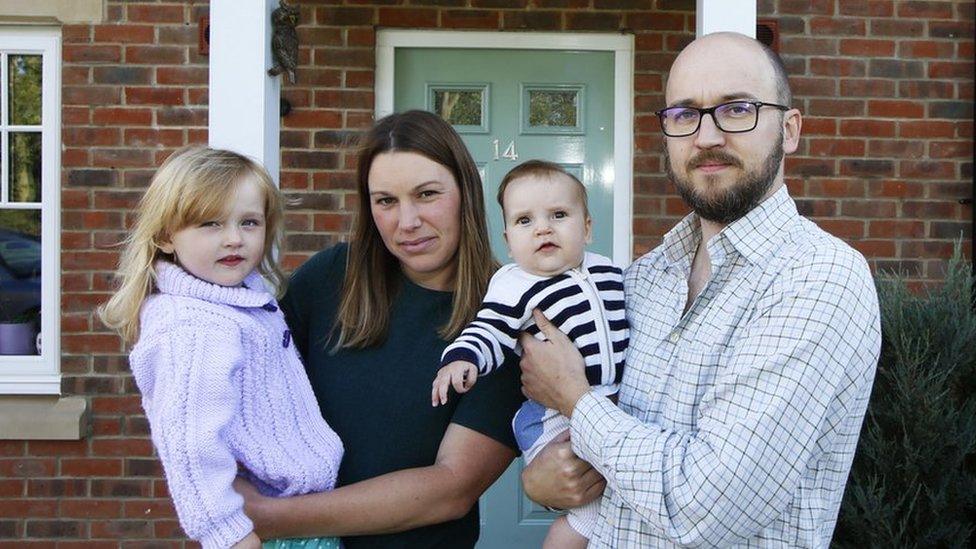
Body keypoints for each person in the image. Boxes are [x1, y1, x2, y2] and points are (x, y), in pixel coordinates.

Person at [519, 31, 882, 547]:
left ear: (791, 129)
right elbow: (589, 461)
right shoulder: (644, 279)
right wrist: (546, 478)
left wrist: (575, 400)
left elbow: (706, 507)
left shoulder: (819, 277)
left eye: (737, 109)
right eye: (684, 114)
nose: (707, 137)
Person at [233, 110, 525, 548]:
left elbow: (450, 488)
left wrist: (267, 517)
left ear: (466, 192)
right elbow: (247, 377)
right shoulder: (333, 276)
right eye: (386, 201)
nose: (406, 221)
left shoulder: (504, 318)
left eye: (426, 194)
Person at [98, 146, 345, 549]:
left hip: (303, 517)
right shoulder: (194, 325)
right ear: (164, 236)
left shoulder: (239, 299)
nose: (234, 239)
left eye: (249, 222)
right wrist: (228, 535)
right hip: (265, 533)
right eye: (210, 224)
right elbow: (188, 444)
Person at [431, 160, 628, 548]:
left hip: (605, 406)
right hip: (553, 418)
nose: (543, 228)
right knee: (589, 514)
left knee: (615, 505)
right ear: (508, 241)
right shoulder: (516, 284)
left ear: (587, 228)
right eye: (525, 221)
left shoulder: (609, 272)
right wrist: (463, 359)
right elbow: (489, 329)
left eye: (558, 215)